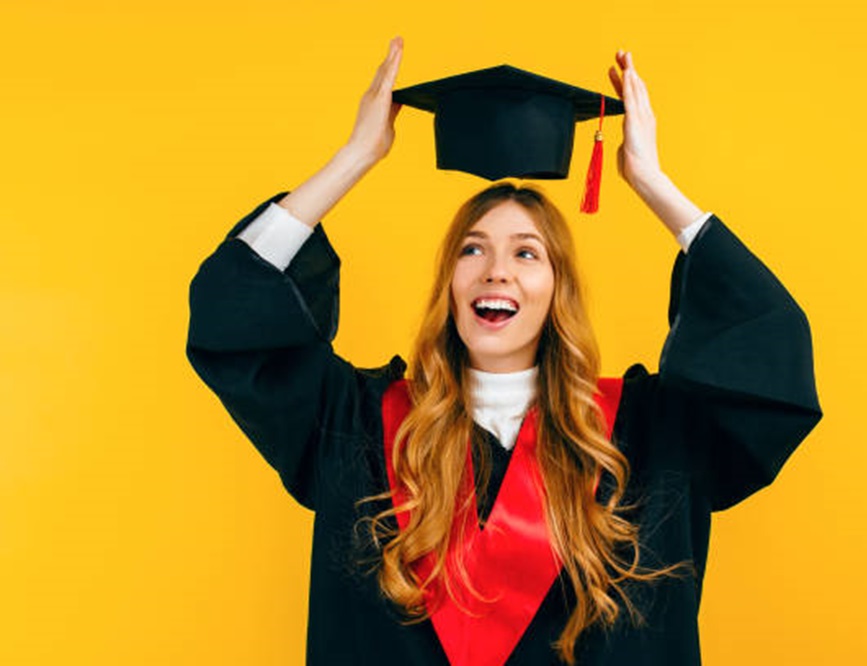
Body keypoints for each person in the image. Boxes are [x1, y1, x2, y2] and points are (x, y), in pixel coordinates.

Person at [187, 37, 822, 666]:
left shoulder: (644, 436)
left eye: (526, 252)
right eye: (473, 249)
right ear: (449, 283)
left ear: (557, 288)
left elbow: (769, 346)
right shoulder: (355, 426)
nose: (497, 271)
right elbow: (232, 312)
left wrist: (654, 183)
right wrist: (354, 158)